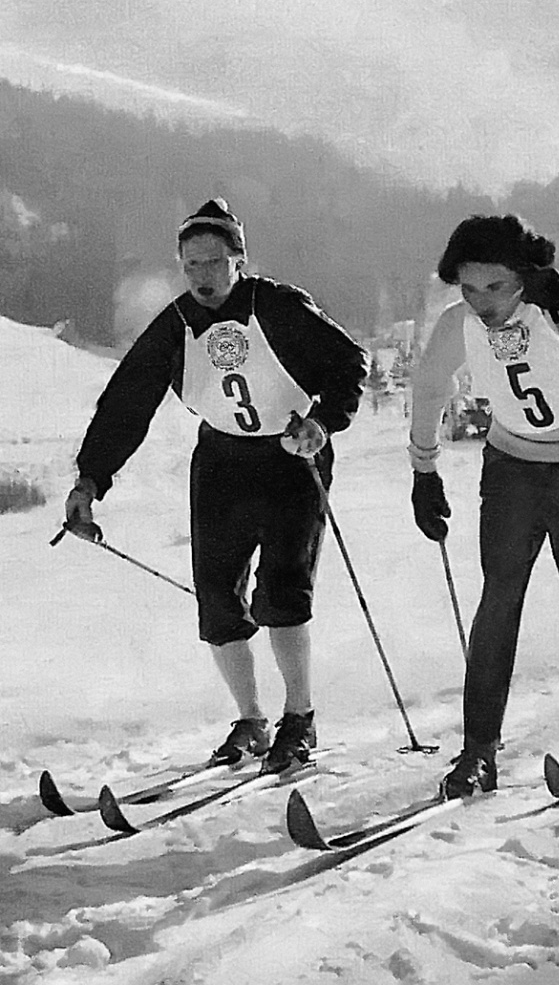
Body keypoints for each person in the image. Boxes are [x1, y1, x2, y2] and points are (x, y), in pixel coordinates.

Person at [64, 199, 367, 772]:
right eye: (191, 264)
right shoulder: (176, 324)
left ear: (239, 259)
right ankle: (250, 721)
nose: (202, 275)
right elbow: (128, 401)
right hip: (223, 462)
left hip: (290, 457)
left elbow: (348, 362)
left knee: (282, 591)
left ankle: (298, 718)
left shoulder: (275, 305)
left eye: (213, 261)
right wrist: (91, 478)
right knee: (217, 599)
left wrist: (323, 423)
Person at [408, 214, 559, 799]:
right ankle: (477, 753)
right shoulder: (458, 325)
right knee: (499, 599)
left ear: (524, 275)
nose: (482, 301)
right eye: (469, 289)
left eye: (496, 287)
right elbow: (429, 387)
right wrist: (423, 469)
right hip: (513, 468)